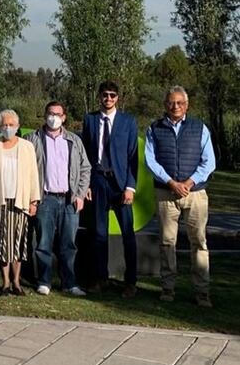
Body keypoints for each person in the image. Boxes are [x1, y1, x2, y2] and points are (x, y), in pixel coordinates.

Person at [144, 86, 216, 308]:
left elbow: (209, 161)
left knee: (199, 242)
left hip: (195, 194)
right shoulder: (154, 128)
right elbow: (150, 160)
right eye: (171, 103)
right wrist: (171, 182)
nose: (175, 107)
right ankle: (168, 288)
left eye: (179, 103)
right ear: (165, 104)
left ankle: (202, 292)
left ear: (187, 105)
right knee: (167, 243)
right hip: (166, 193)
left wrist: (188, 182)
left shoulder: (199, 128)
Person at [81, 80, 139, 298]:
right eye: (105, 95)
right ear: (99, 96)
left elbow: (133, 157)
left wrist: (130, 187)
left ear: (118, 98)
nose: (108, 99)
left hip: (121, 184)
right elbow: (84, 155)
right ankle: (100, 278)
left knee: (128, 235)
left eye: (112, 95)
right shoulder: (90, 120)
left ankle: (131, 282)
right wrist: (86, 183)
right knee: (98, 234)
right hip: (98, 181)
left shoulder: (128, 122)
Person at [28, 101, 91, 297]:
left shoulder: (74, 140)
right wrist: (32, 197)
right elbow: (27, 170)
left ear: (64, 117)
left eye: (57, 114)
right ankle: (44, 281)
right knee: (44, 243)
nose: (53, 117)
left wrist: (80, 194)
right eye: (50, 113)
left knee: (68, 245)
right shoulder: (32, 139)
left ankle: (69, 283)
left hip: (69, 200)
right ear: (45, 115)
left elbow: (85, 168)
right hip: (45, 198)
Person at [0, 109, 40, 296]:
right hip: (0, 201)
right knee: (2, 242)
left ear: (17, 126)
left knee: (18, 242)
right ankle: (5, 282)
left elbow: (33, 175)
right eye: (4, 125)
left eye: (11, 125)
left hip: (20, 202)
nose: (8, 128)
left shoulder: (27, 147)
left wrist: (34, 200)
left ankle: (17, 281)